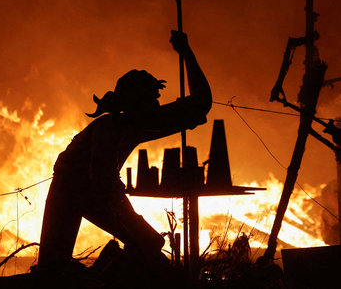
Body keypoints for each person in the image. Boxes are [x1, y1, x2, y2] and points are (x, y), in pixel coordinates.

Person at [38, 30, 212, 272]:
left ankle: (113, 269)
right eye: (152, 100)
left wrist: (186, 52)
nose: (157, 106)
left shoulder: (139, 124)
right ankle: (108, 271)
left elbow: (200, 104)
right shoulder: (109, 128)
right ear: (135, 104)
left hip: (94, 192)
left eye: (157, 100)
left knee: (148, 244)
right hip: (70, 190)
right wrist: (137, 228)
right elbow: (103, 184)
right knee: (52, 272)